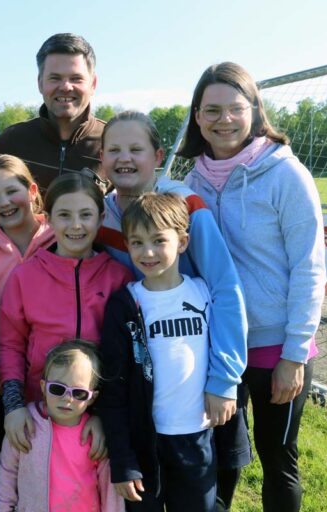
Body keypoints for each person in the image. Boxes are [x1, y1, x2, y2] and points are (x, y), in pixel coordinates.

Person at [180, 62, 326, 512]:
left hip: (274, 346)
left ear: (255, 111)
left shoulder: (285, 173)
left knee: (276, 457)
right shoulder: (190, 182)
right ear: (197, 118)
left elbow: (309, 267)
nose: (224, 119)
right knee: (222, 459)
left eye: (235, 108)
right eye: (211, 110)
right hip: (219, 345)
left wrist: (293, 354)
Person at [96, 111, 251, 510]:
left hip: (200, 386)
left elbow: (225, 289)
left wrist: (224, 377)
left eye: (136, 149)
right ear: (101, 158)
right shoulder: (100, 213)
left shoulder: (184, 205)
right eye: (114, 149)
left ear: (157, 154)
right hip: (142, 392)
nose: (124, 158)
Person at [99, 193, 222, 511]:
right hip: (145, 444)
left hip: (196, 438)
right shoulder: (124, 305)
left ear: (182, 242)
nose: (147, 252)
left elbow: (226, 347)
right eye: (137, 242)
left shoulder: (204, 292)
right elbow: (114, 389)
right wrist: (123, 460)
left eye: (158, 240)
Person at [0, 173, 133, 459]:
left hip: (98, 417)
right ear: (48, 218)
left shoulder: (118, 277)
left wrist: (104, 415)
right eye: (64, 215)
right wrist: (14, 406)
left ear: (100, 218)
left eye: (86, 214)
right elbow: (10, 345)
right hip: (38, 416)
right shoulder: (25, 276)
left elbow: (124, 356)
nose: (75, 225)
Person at [0, 154, 55, 511]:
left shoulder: (60, 234)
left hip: (62, 381)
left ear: (32, 191)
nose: (4, 203)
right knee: (2, 481)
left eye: (11, 191)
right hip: (14, 385)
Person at [0, 339, 125, 512]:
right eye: (57, 389)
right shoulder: (25, 425)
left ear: (92, 397)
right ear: (43, 387)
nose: (67, 398)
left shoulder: (95, 436)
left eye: (79, 393)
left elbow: (110, 492)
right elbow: (6, 476)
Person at [0, 33, 105, 191]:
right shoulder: (12, 141)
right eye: (55, 78)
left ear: (93, 84)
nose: (66, 87)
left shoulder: (112, 143)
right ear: (40, 83)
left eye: (76, 78)